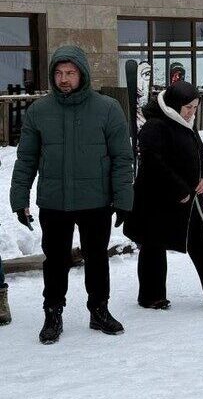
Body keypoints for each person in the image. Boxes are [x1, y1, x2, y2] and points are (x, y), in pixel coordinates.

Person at [9, 46, 134, 344]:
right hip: (55, 201)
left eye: (70, 73)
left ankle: (99, 309)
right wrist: (20, 199)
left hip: (97, 201)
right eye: (59, 73)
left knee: (96, 258)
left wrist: (124, 199)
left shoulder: (107, 108)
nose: (64, 79)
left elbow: (122, 158)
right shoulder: (40, 111)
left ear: (82, 74)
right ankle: (53, 312)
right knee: (55, 260)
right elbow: (26, 159)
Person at [125, 81, 203, 310]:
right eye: (188, 107)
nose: (192, 112)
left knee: (199, 241)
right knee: (153, 245)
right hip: (157, 198)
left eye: (195, 107)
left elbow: (202, 155)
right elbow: (153, 163)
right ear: (175, 104)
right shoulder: (155, 126)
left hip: (191, 198)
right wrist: (178, 189)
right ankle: (151, 295)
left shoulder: (187, 124)